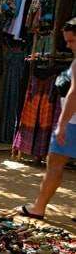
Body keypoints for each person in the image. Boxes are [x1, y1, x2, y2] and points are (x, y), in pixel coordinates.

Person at [23, 18, 76, 221]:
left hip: (72, 122)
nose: (68, 46)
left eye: (71, 41)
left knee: (54, 164)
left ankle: (39, 207)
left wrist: (62, 124)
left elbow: (73, 95)